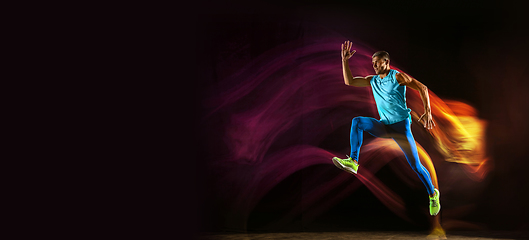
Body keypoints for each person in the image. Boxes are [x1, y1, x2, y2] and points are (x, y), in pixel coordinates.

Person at [332, 40, 440, 216]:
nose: (374, 65)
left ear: (387, 62)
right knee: (357, 121)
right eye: (373, 63)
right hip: (385, 126)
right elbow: (350, 82)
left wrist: (428, 112)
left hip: (401, 128)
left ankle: (433, 194)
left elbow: (422, 87)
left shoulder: (397, 76)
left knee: (416, 167)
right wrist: (345, 60)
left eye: (378, 62)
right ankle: (353, 161)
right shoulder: (373, 80)